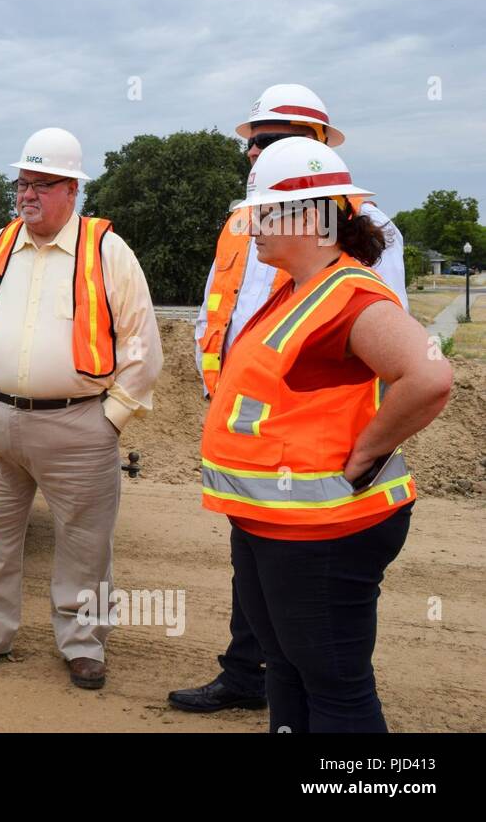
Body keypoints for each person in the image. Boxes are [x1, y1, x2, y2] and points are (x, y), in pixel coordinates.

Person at [199, 136, 452, 732]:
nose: (251, 226)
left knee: (335, 684)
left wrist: (368, 449)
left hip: (324, 531)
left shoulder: (351, 296)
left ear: (309, 218)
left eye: (264, 212)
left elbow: (430, 376)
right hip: (274, 521)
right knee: (286, 667)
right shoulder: (297, 291)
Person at [173, 84, 410, 713]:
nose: (254, 153)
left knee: (326, 669)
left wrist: (365, 453)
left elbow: (396, 356)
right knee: (282, 643)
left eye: (268, 144)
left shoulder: (358, 241)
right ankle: (246, 673)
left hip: (314, 464)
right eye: (253, 144)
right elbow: (221, 312)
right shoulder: (250, 224)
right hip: (257, 442)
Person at [0, 127, 163, 689]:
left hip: (79, 423)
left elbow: (142, 345)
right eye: (23, 183)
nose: (28, 195)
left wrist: (109, 418)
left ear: (73, 190)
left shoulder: (108, 251)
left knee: (85, 544)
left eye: (43, 184)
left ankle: (83, 642)